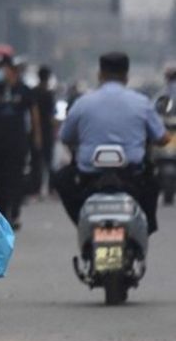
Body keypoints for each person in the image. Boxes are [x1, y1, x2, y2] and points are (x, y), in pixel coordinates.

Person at [54, 52, 172, 234]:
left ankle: (83, 223)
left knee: (61, 178)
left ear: (100, 75)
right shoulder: (141, 103)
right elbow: (163, 138)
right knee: (153, 181)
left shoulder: (83, 103)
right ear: (126, 76)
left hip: (89, 177)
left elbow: (65, 136)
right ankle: (146, 228)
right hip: (132, 176)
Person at [0, 55, 42, 229]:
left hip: (18, 141)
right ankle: (1, 213)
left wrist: (36, 136)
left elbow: (33, 112)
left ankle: (14, 213)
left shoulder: (23, 91)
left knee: (15, 178)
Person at [30, 66, 57, 196]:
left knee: (36, 161)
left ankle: (36, 188)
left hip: (35, 130)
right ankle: (51, 188)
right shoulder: (48, 94)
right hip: (46, 131)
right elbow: (51, 115)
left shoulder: (34, 92)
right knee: (48, 160)